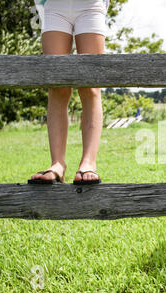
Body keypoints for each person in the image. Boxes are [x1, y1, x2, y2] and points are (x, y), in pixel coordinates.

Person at [29, 0, 109, 185]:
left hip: (91, 4)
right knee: (57, 87)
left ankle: (88, 163)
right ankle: (57, 164)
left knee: (90, 87)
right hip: (54, 5)